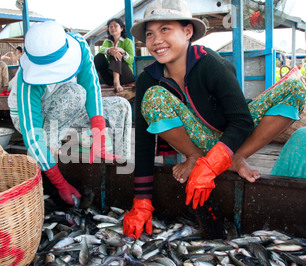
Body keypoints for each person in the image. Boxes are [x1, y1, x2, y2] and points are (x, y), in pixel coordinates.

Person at [122, 0, 306, 239]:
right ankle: (195, 156)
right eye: (149, 34)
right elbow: (145, 144)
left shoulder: (211, 63)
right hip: (196, 142)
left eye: (165, 29)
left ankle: (235, 158)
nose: (156, 40)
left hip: (235, 137)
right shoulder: (148, 79)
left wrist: (216, 164)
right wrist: (141, 202)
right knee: (152, 98)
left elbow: (241, 120)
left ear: (188, 32)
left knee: (295, 87)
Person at [9, 21, 132, 205]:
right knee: (74, 92)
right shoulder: (27, 82)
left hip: (69, 108)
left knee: (121, 106)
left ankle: (116, 172)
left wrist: (99, 136)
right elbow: (32, 135)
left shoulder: (79, 46)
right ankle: (52, 149)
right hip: (37, 122)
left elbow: (91, 88)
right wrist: (59, 183)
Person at [94, 18, 135, 92]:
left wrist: (123, 52)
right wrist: (110, 50)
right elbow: (101, 50)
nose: (113, 28)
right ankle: (91, 80)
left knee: (116, 53)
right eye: (110, 26)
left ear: (121, 28)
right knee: (99, 56)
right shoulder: (107, 42)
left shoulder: (127, 41)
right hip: (110, 77)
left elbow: (131, 60)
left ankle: (117, 82)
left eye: (115, 26)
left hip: (125, 76)